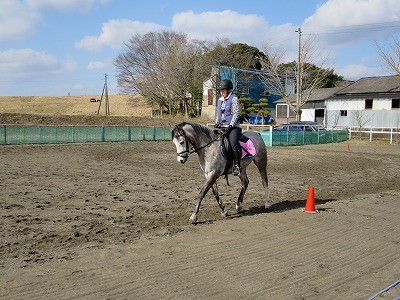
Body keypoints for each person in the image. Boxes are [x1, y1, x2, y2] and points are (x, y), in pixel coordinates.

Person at [215, 79, 242, 176]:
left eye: (223, 90)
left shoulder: (234, 98)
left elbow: (236, 114)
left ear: (228, 90)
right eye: (220, 91)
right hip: (222, 126)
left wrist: (230, 126)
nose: (221, 92)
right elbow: (218, 114)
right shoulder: (219, 100)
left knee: (233, 143)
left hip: (233, 127)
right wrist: (217, 123)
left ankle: (237, 165)